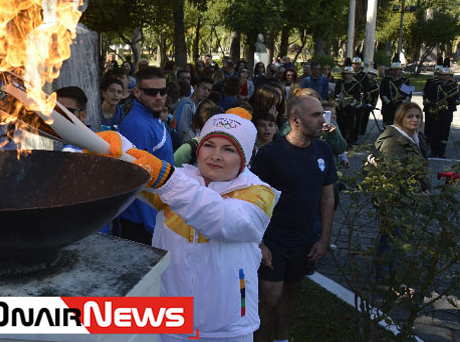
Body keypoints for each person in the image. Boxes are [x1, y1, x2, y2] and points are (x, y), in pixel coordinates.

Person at [98, 107, 279, 342]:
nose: (215, 155)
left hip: (227, 326)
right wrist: (114, 148)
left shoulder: (259, 194)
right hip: (171, 321)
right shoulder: (181, 179)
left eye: (229, 149)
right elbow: (136, 167)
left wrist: (166, 180)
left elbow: (222, 220)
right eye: (209, 145)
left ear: (243, 158)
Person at [252, 95, 337, 342]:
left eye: (322, 114)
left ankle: (281, 338)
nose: (323, 120)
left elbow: (327, 199)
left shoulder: (324, 150)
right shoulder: (270, 154)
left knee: (291, 292)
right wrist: (260, 243)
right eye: (316, 115)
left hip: (304, 240)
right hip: (273, 240)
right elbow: (253, 202)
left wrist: (324, 239)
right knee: (269, 298)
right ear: (295, 120)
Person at [373, 102, 429, 288]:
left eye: (418, 116)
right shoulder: (393, 140)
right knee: (390, 239)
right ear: (400, 118)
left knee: (400, 239)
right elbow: (393, 174)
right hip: (394, 198)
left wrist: (425, 187)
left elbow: (422, 167)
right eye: (410, 116)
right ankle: (383, 281)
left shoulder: (417, 137)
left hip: (409, 197)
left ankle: (394, 277)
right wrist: (415, 191)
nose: (415, 120)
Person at [118, 66, 174, 245]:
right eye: (151, 92)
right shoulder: (138, 126)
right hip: (143, 223)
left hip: (154, 215)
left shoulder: (151, 118)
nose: (158, 97)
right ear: (137, 92)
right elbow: (138, 179)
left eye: (162, 91)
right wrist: (154, 227)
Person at [423, 67, 459, 158]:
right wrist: (432, 104)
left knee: (444, 134)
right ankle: (433, 151)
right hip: (435, 113)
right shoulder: (434, 84)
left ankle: (441, 152)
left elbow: (458, 99)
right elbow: (426, 96)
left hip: (447, 113)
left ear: (450, 76)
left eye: (446, 75)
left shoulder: (454, 86)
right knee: (434, 133)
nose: (444, 77)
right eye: (442, 75)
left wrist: (452, 101)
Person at [175, 77, 212, 141]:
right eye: (204, 88)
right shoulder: (186, 106)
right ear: (195, 88)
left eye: (209, 90)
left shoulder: (200, 105)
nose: (206, 92)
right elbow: (184, 131)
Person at [334, 66, 363, 146]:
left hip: (351, 106)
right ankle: (341, 140)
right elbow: (336, 94)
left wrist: (350, 104)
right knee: (340, 124)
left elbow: (357, 96)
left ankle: (350, 141)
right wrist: (339, 103)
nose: (348, 76)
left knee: (350, 124)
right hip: (341, 106)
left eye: (350, 74)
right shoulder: (340, 83)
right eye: (346, 74)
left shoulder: (356, 84)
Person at [357, 68, 380, 137]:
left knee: (365, 117)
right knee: (359, 117)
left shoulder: (376, 85)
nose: (372, 76)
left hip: (369, 102)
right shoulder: (363, 82)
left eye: (374, 75)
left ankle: (362, 130)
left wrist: (373, 105)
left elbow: (375, 97)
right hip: (361, 101)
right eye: (370, 74)